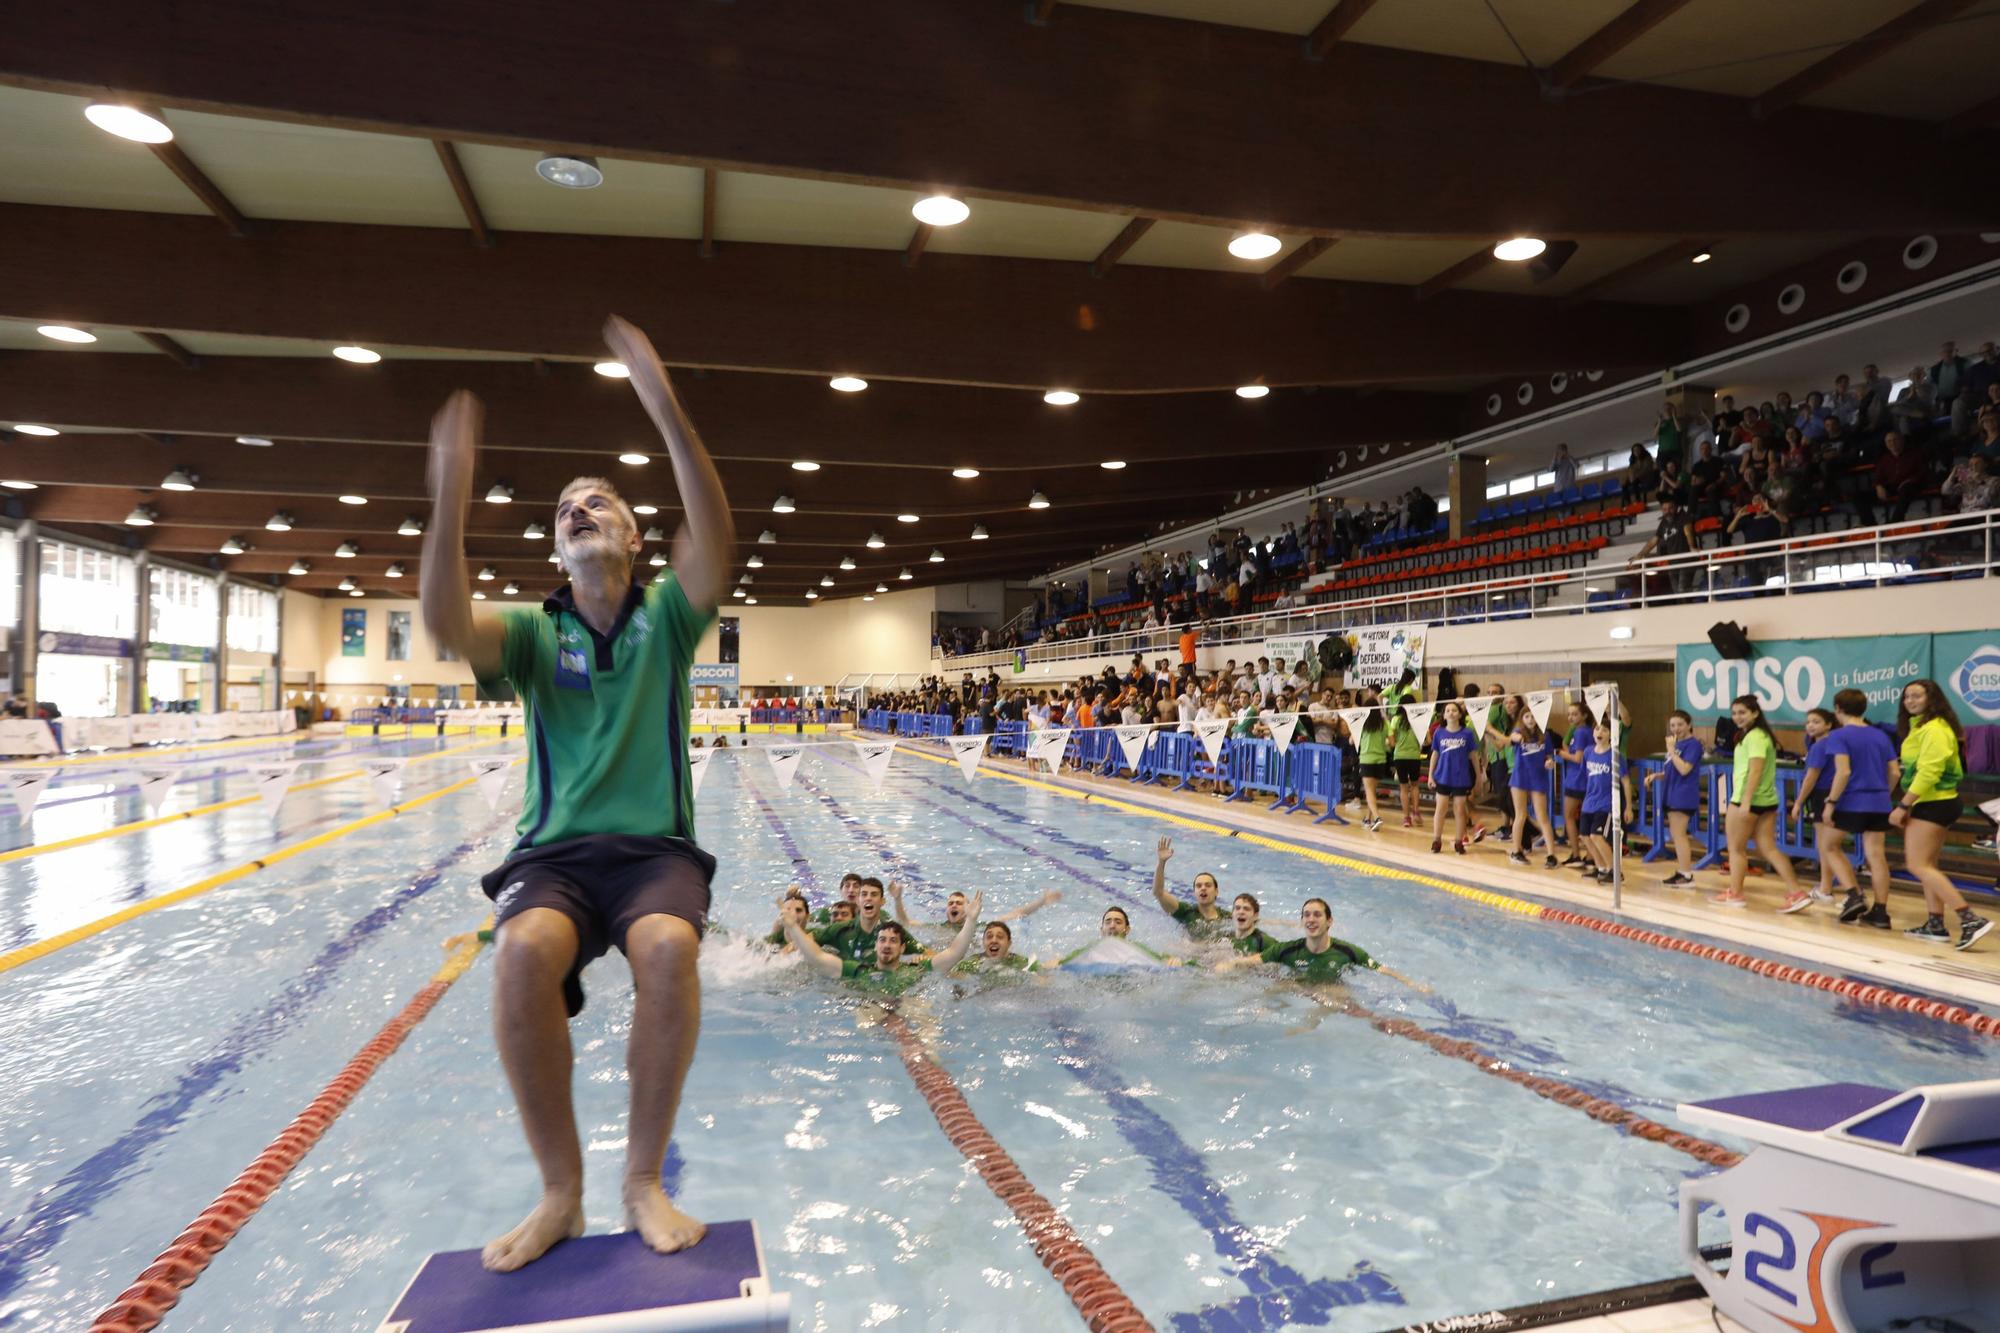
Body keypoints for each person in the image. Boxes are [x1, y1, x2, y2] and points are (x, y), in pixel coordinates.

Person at [421, 317, 733, 1271]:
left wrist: (662, 405)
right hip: (551, 858)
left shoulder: (670, 619)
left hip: (653, 859)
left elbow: (715, 534)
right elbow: (442, 624)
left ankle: (643, 1177)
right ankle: (561, 1189)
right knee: (518, 954)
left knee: (670, 946)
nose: (578, 507)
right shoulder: (528, 632)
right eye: (565, 506)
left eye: (598, 500)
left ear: (634, 539)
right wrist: (449, 494)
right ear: (556, 551)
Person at [1893, 680, 1991, 949]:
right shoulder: (1921, 727)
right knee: (1928, 866)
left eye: (1917, 696)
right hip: (1933, 801)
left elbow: (1929, 772)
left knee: (1917, 865)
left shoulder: (1935, 729)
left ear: (1931, 698)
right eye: (1907, 697)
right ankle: (1935, 924)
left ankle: (1970, 919)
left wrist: (1904, 805)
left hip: (1934, 803)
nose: (1910, 701)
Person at [1213, 897, 1426, 992]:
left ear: (1329, 921)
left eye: (1317, 915)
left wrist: (1412, 985)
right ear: (1301, 921)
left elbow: (1381, 969)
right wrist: (1231, 964)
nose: (1311, 919)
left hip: (1331, 989)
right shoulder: (1286, 949)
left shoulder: (1347, 951)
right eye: (1306, 915)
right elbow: (1254, 960)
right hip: (1297, 986)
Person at [1713, 695, 1802, 910]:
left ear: (1755, 713)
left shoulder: (1755, 737)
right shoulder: (1756, 735)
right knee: (1769, 848)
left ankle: (1735, 894)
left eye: (1742, 712)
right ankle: (1796, 892)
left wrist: (1745, 801)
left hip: (1748, 800)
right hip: (1767, 800)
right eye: (1734, 713)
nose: (1737, 717)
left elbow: (1755, 770)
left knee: (1735, 849)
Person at [1817, 690, 1897, 931]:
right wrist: (1884, 793)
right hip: (1880, 802)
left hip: (1852, 801)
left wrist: (1830, 803)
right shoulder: (1880, 735)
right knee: (1876, 855)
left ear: (1837, 708)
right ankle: (1880, 913)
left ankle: (1854, 895)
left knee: (1829, 846)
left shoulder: (1839, 736)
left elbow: (1843, 772)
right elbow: (1894, 772)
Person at [785, 898, 983, 994]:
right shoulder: (858, 971)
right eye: (882, 940)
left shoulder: (917, 969)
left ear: (903, 948)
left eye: (893, 941)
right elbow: (817, 958)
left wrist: (971, 922)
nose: (887, 945)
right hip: (870, 1008)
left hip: (908, 1007)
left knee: (925, 1024)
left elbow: (953, 953)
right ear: (876, 945)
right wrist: (793, 927)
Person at [1781, 709, 1842, 914]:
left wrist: (1798, 802)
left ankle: (1826, 888)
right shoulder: (1834, 744)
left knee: (1825, 845)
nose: (1811, 726)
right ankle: (1826, 886)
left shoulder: (1819, 746)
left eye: (1816, 722)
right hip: (1832, 794)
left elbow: (1811, 777)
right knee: (1826, 844)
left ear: (1829, 725)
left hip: (1821, 794)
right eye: (1808, 722)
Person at [889, 882, 1060, 948]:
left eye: (958, 903)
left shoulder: (981, 928)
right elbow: (905, 922)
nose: (954, 905)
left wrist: (1041, 901)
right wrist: (897, 899)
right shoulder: (937, 928)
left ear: (968, 908)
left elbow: (1017, 914)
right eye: (950, 903)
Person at [1644, 711, 1704, 886]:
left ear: (1689, 724)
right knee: (1676, 834)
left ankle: (1687, 875)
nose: (1676, 729)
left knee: (1679, 835)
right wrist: (1657, 776)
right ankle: (1683, 871)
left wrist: (1671, 750)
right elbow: (1673, 770)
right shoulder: (1677, 745)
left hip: (1683, 794)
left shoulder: (1693, 745)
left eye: (1680, 725)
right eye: (1672, 725)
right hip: (1671, 792)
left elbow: (1685, 769)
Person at [1495, 704, 1557, 869]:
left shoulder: (1545, 736)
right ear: (1522, 719)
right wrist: (1514, 737)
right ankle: (1517, 851)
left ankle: (1551, 855)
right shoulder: (1518, 733)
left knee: (1542, 817)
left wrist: (1549, 762)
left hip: (1538, 779)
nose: (1531, 719)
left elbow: (1548, 756)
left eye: (1533, 716)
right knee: (1520, 815)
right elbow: (1510, 740)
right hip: (1520, 779)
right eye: (1527, 716)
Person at [1150, 836, 1228, 941]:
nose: (1203, 888)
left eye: (1208, 885)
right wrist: (1161, 862)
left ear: (1216, 891)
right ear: (1194, 893)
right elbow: (1158, 892)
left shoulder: (1227, 917)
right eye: (1198, 886)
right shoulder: (1186, 912)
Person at [1428, 700, 1476, 855]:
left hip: (1461, 778)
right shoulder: (1439, 733)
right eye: (1447, 710)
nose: (1451, 713)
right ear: (1444, 714)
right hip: (1442, 776)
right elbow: (1435, 754)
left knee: (1460, 810)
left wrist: (1479, 777)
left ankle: (1458, 841)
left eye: (1454, 710)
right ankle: (1437, 840)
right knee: (1440, 809)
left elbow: (1473, 756)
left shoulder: (1467, 733)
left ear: (1460, 714)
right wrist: (1430, 775)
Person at [1577, 728, 1620, 885]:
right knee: (1585, 836)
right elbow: (1585, 776)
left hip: (1605, 803)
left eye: (1604, 729)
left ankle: (1615, 871)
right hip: (1589, 802)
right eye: (1597, 728)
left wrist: (1627, 806)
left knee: (1597, 836)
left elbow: (1626, 780)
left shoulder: (1614, 754)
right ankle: (1601, 868)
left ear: (1611, 733)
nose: (1599, 732)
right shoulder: (1588, 752)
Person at [1383, 669, 1423, 829]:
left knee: (1403, 788)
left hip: (1400, 756)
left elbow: (1391, 743)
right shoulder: (1419, 720)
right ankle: (1416, 811)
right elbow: (1426, 740)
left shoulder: (1396, 720)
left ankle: (1406, 818)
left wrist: (1389, 741)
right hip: (1414, 756)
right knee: (1415, 786)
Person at [1557, 701, 1595, 866]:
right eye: (1569, 714)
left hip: (1577, 780)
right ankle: (1590, 855)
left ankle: (1576, 854)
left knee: (1569, 816)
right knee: (1584, 819)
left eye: (1575, 714)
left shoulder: (1580, 732)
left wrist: (1561, 754)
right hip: (1584, 780)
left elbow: (1578, 759)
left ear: (1584, 716)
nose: (1571, 717)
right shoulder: (1586, 731)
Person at [954, 919, 1046, 975]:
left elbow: (1041, 974)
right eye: (989, 937)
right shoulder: (971, 963)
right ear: (983, 942)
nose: (994, 940)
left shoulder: (1019, 962)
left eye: (1000, 937)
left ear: (1009, 943)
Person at [1354, 690, 1389, 832]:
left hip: (1367, 759)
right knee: (1372, 792)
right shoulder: (1385, 724)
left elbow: (1352, 740)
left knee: (1368, 792)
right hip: (1381, 760)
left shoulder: (1362, 723)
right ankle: (1368, 819)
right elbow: (1391, 743)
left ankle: (1377, 817)